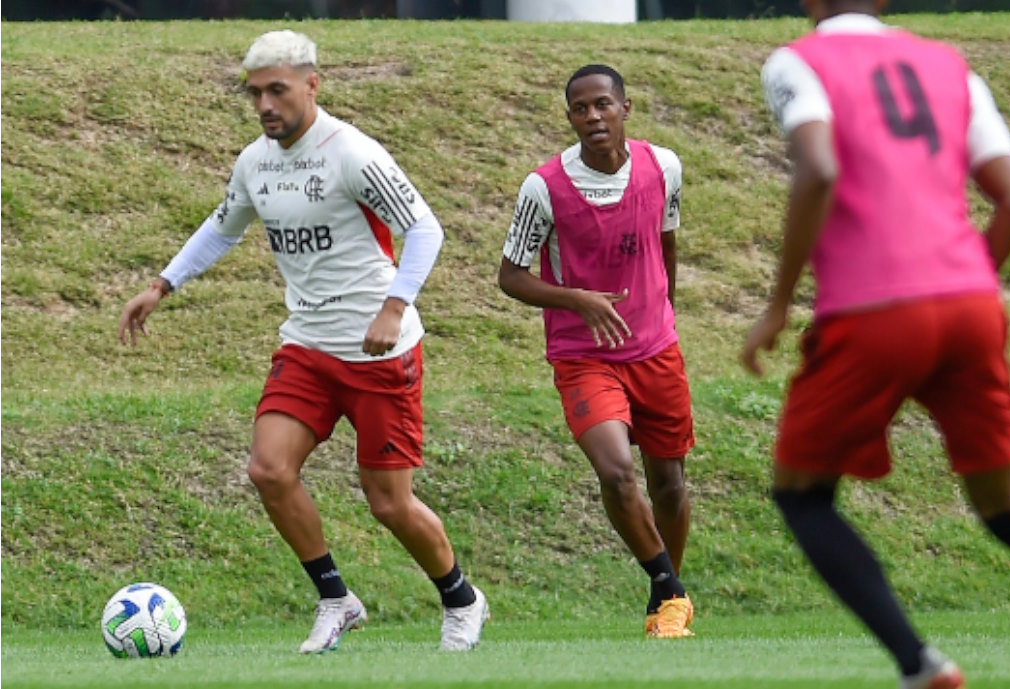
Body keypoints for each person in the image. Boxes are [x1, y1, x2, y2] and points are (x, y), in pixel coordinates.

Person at [742, 2, 1010, 688]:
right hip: (970, 306)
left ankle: (919, 663)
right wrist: (956, 287)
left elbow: (816, 169)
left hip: (873, 308)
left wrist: (780, 304)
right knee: (1009, 508)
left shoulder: (798, 60)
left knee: (803, 494)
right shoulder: (949, 65)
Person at [118, 30, 489, 654]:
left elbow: (424, 228)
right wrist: (162, 285)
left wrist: (394, 308)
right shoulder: (255, 162)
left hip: (379, 353)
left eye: (277, 90)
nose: (265, 104)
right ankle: (335, 599)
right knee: (268, 469)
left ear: (312, 85)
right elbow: (222, 226)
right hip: (307, 347)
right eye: (255, 92)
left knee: (388, 503)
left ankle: (461, 598)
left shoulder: (353, 154)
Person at [497, 64, 696, 639]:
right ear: (570, 117)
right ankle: (672, 590)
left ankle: (667, 608)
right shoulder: (543, 188)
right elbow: (510, 276)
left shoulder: (664, 168)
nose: (592, 117)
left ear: (625, 108)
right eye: (581, 109)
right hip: (583, 355)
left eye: (603, 105)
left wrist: (666, 315)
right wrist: (576, 300)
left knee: (670, 484)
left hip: (656, 350)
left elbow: (667, 243)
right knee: (615, 471)